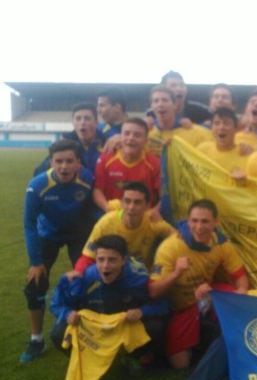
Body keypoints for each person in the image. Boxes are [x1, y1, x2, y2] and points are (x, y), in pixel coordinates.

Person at [148, 199, 249, 369]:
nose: (199, 227)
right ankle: (200, 343)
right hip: (180, 308)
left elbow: (240, 277)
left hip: (206, 297)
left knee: (234, 295)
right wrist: (176, 273)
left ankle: (235, 347)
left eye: (205, 221)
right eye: (194, 221)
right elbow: (153, 291)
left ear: (215, 223)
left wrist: (242, 293)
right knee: (180, 364)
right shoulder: (171, 247)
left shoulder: (221, 243)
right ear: (188, 221)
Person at [20, 139, 95, 363]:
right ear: (51, 162)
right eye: (58, 161)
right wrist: (35, 261)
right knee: (34, 285)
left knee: (87, 280)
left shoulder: (88, 180)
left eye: (69, 161)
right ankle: (36, 340)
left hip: (77, 235)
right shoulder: (37, 185)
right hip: (48, 234)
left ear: (78, 163)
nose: (64, 166)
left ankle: (85, 331)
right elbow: (29, 224)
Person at [50, 235, 168, 364]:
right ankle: (90, 362)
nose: (105, 266)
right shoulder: (84, 277)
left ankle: (130, 358)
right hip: (95, 328)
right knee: (58, 333)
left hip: (124, 326)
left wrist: (142, 312)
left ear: (123, 260)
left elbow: (164, 305)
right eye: (100, 260)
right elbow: (56, 304)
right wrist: (68, 314)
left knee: (156, 326)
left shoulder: (138, 278)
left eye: (112, 260)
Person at [73, 182, 174, 274]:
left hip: (140, 276)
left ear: (147, 206)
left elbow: (179, 240)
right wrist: (77, 272)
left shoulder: (154, 224)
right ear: (121, 203)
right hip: (111, 273)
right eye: (127, 201)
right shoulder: (106, 223)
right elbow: (88, 255)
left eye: (137, 202)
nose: (131, 207)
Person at [93, 118, 161, 211]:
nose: (131, 138)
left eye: (137, 135)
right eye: (126, 133)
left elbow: (164, 197)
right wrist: (107, 208)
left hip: (143, 218)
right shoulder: (105, 159)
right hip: (111, 215)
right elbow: (97, 190)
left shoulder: (155, 163)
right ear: (120, 137)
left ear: (146, 140)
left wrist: (154, 212)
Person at [33, 103, 105, 176]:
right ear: (73, 123)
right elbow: (38, 173)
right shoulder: (65, 145)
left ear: (96, 122)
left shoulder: (106, 142)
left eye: (87, 118)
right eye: (78, 118)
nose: (82, 122)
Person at [147, 85, 211, 156]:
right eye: (156, 101)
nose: (160, 104)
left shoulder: (197, 133)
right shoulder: (146, 134)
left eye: (165, 100)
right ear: (152, 107)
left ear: (175, 105)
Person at [197, 108, 250, 177]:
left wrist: (245, 180)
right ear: (211, 127)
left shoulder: (246, 154)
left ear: (236, 128)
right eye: (217, 123)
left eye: (226, 123)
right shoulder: (202, 150)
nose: (221, 127)